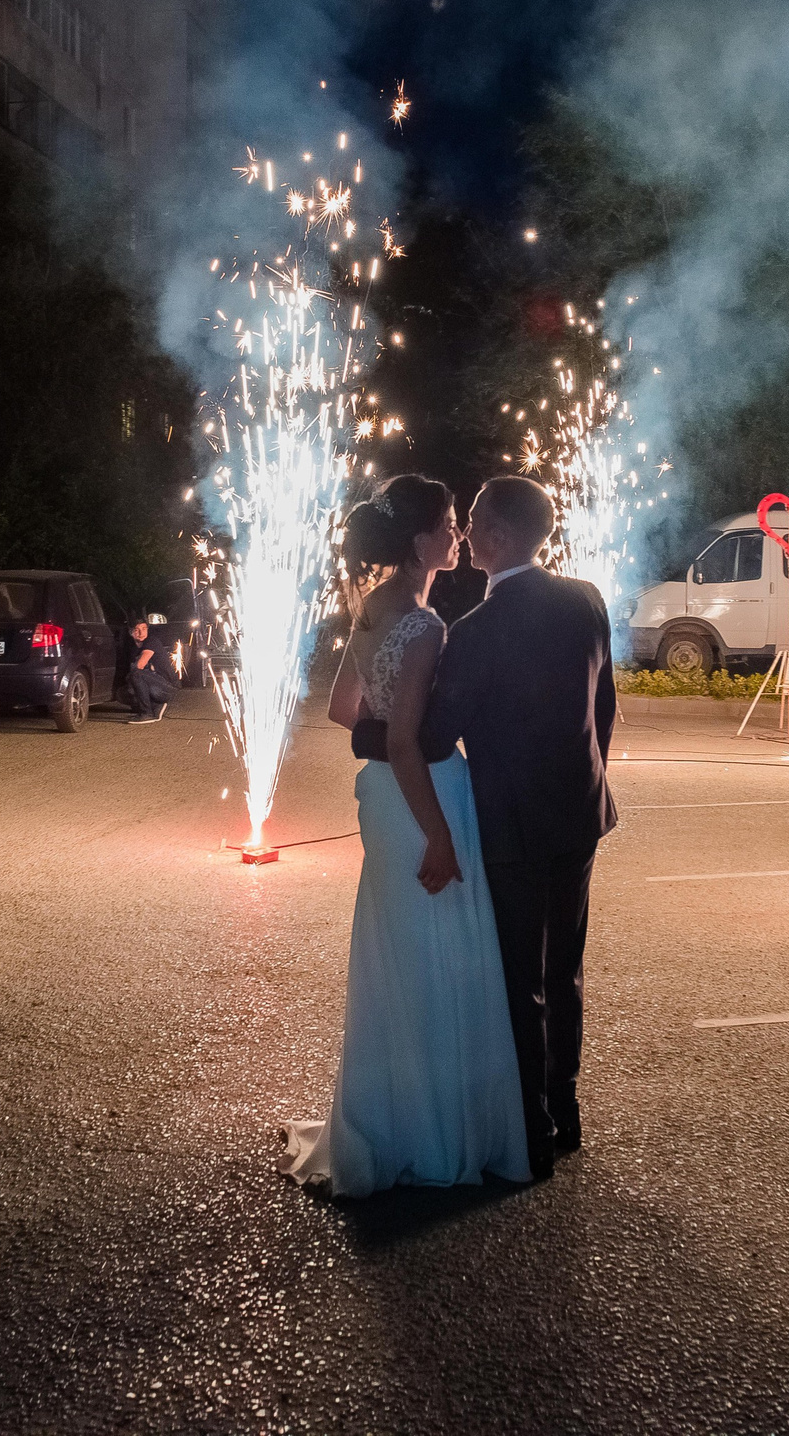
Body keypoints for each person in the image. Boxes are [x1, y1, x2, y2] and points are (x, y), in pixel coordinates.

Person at [280, 476, 531, 1195]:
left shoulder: (371, 608)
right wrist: (441, 836)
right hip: (421, 798)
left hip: (382, 803)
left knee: (400, 952)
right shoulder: (424, 626)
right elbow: (403, 744)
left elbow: (342, 710)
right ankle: (435, 1131)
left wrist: (384, 743)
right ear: (422, 541)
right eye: (450, 523)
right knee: (439, 957)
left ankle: (389, 1114)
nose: (457, 534)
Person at [426, 475, 618, 1181]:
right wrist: (587, 776)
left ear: (500, 534)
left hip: (511, 820)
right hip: (581, 810)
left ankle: (532, 1128)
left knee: (520, 978)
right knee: (564, 970)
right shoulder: (586, 600)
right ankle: (565, 1111)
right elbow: (604, 708)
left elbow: (440, 733)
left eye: (474, 519)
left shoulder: (473, 633)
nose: (467, 529)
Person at [122, 619, 172, 723]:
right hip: (152, 684)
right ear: (130, 632)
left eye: (144, 629)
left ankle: (147, 713)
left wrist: (131, 678)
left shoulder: (151, 642)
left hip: (166, 686)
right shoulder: (132, 647)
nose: (141, 633)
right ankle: (155, 706)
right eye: (137, 630)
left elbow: (139, 665)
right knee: (122, 693)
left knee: (135, 675)